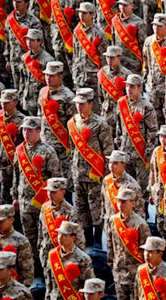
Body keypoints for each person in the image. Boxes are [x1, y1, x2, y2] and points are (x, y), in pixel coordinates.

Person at [12, 116, 60, 273]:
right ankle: (36, 269)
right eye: (24, 130)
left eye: (30, 130)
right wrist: (14, 197)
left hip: (42, 203)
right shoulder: (20, 150)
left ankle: (48, 268)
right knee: (29, 237)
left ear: (39, 131)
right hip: (25, 201)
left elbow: (55, 178)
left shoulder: (48, 151)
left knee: (45, 239)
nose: (26, 133)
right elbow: (16, 175)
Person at [68, 88, 113, 247]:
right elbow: (72, 149)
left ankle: (97, 241)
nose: (79, 107)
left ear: (91, 104)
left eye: (82, 104)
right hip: (78, 172)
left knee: (96, 208)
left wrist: (108, 175)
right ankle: (86, 240)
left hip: (95, 173)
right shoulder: (72, 123)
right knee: (81, 208)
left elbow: (108, 150)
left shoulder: (100, 123)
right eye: (77, 104)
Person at [115, 74, 158, 207]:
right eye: (127, 86)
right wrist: (118, 146)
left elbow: (152, 131)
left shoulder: (146, 107)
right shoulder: (122, 104)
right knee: (126, 187)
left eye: (132, 86)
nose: (129, 89)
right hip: (125, 152)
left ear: (140, 88)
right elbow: (118, 128)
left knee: (141, 188)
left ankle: (142, 217)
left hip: (141, 154)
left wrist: (148, 152)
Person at [107, 188, 151, 300]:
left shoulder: (140, 224)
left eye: (124, 202)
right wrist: (111, 263)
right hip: (118, 271)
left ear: (133, 203)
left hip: (134, 272)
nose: (120, 205)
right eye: (118, 201)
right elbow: (110, 243)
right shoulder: (113, 220)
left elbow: (145, 250)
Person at [38, 61, 76, 192]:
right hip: (45, 143)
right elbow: (40, 117)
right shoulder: (43, 92)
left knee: (64, 182)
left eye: (52, 76)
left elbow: (73, 124)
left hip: (62, 146)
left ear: (60, 77)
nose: (48, 78)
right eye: (47, 75)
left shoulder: (68, 96)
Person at [38, 177, 85, 271]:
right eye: (48, 191)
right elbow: (41, 230)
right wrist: (40, 247)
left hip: (64, 258)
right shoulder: (45, 207)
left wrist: (79, 259)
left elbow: (78, 238)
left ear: (63, 192)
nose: (50, 194)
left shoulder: (70, 212)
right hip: (47, 254)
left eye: (54, 192)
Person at [46, 221, 95, 300]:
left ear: (73, 238)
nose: (60, 238)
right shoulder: (53, 255)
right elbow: (49, 282)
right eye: (59, 234)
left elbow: (88, 285)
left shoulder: (83, 259)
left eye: (64, 235)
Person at [142, 13, 166, 126]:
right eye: (154, 25)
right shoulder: (149, 42)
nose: (156, 28)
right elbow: (146, 62)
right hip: (152, 87)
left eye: (159, 26)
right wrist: (145, 80)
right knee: (154, 119)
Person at [4, 0, 41, 92]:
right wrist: (7, 59)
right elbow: (7, 40)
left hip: (28, 61)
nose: (15, 4)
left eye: (19, 1)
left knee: (29, 90)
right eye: (14, 1)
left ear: (27, 3)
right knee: (16, 89)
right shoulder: (10, 19)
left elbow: (39, 43)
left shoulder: (34, 22)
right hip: (14, 60)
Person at [72, 2, 107, 105]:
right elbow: (75, 53)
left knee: (94, 105)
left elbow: (103, 57)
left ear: (92, 15)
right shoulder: (77, 31)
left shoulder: (99, 33)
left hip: (93, 74)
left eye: (84, 13)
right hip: (79, 73)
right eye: (80, 13)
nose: (81, 16)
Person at [101, 150, 145, 232]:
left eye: (115, 163)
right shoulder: (107, 180)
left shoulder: (131, 185)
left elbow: (139, 211)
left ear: (123, 165)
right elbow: (104, 202)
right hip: (111, 224)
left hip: (127, 227)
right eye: (110, 163)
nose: (111, 166)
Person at [49, 0, 83, 88]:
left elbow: (80, 23)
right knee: (61, 74)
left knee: (74, 72)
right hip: (58, 41)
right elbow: (53, 20)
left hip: (71, 42)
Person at [0, 89, 25, 204]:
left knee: (17, 195)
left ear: (15, 102)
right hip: (2, 162)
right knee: (4, 193)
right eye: (3, 102)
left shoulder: (22, 121)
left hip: (16, 163)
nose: (4, 104)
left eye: (7, 102)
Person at [98, 45, 133, 134]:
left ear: (119, 58)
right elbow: (100, 95)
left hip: (121, 111)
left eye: (112, 58)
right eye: (107, 57)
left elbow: (131, 97)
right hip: (106, 111)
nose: (109, 60)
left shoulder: (127, 74)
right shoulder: (103, 73)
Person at [0, 204, 33, 286]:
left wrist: (23, 288)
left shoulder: (21, 241)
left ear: (11, 220)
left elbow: (27, 270)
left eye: (2, 221)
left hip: (12, 287)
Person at [21, 28, 54, 115]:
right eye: (27, 39)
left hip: (40, 98)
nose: (29, 42)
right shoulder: (25, 57)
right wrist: (21, 96)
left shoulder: (48, 59)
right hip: (27, 98)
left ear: (40, 42)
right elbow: (22, 79)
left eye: (32, 40)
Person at [111, 0, 146, 73]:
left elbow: (142, 44)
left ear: (132, 5)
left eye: (125, 5)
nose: (122, 7)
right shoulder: (115, 20)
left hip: (133, 62)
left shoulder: (138, 23)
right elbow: (113, 40)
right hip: (119, 61)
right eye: (120, 4)